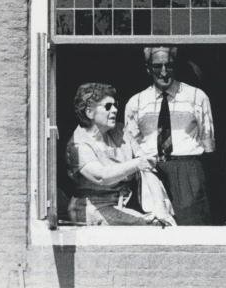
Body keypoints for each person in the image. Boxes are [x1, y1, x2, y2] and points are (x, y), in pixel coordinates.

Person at [124, 46, 216, 225]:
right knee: (155, 228)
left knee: (192, 228)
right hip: (151, 171)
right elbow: (132, 145)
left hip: (188, 170)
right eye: (158, 66)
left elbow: (208, 143)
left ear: (176, 66)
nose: (164, 72)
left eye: (169, 65)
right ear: (148, 68)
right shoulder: (136, 102)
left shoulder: (197, 96)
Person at [66, 82, 168, 225]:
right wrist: (136, 164)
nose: (114, 110)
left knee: (163, 223)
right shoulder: (78, 145)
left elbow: (147, 166)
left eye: (115, 105)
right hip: (92, 209)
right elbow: (102, 176)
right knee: (149, 228)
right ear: (89, 112)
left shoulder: (121, 131)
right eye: (108, 106)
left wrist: (160, 207)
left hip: (125, 204)